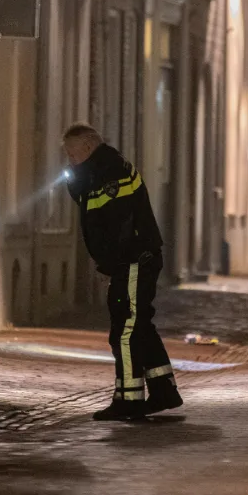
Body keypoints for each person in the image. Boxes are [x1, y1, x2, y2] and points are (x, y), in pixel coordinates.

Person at [62, 123, 183, 421]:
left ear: (88, 148)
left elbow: (115, 224)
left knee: (126, 330)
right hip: (132, 261)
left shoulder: (110, 174)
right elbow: (88, 205)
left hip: (132, 261)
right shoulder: (100, 171)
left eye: (72, 154)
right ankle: (163, 389)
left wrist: (113, 264)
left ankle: (129, 399)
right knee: (140, 325)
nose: (69, 160)